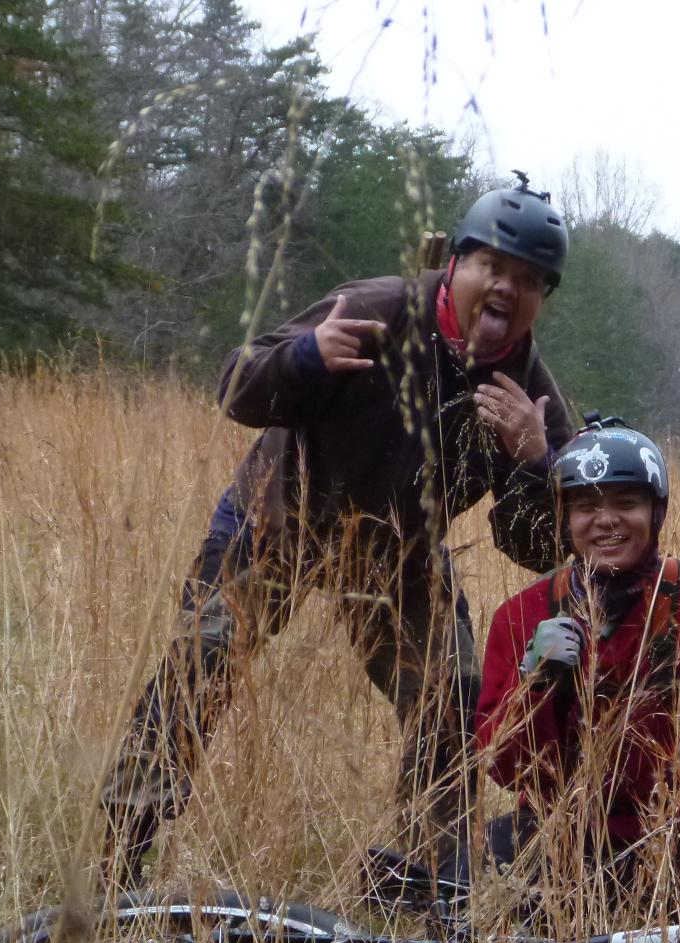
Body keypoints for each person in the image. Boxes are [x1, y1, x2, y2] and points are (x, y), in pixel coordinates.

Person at [101, 173, 577, 888]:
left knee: (451, 694)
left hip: (401, 556)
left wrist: (536, 464)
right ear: (456, 263)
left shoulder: (529, 397)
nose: (507, 289)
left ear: (544, 299)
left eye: (529, 280)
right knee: (200, 662)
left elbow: (538, 547)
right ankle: (117, 855)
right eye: (493, 268)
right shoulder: (375, 309)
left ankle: (428, 882)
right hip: (277, 520)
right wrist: (303, 361)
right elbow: (236, 385)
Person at [474, 417, 680, 903]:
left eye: (626, 503)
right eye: (586, 506)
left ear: (656, 512)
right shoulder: (522, 616)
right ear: (565, 520)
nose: (606, 521)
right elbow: (502, 766)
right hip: (558, 832)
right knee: (472, 884)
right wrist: (533, 682)